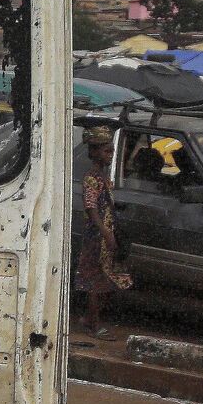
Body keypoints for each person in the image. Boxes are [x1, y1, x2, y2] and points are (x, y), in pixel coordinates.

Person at [79, 127, 131, 339]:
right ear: (95, 153)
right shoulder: (92, 178)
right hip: (96, 237)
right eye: (107, 152)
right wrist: (106, 234)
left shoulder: (101, 177)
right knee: (95, 281)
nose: (110, 156)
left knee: (104, 280)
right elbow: (91, 208)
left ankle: (90, 319)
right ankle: (93, 324)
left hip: (103, 235)